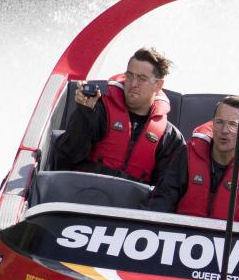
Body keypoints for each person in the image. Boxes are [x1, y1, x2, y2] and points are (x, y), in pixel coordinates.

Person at [50, 47, 185, 186]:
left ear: (158, 84)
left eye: (142, 79)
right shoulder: (98, 111)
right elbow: (68, 156)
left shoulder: (170, 138)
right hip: (86, 197)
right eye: (130, 76)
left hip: (133, 206)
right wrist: (84, 113)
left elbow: (166, 191)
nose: (133, 84)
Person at [148, 95, 239, 226]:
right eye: (219, 122)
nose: (224, 130)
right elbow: (160, 205)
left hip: (229, 246)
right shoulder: (185, 158)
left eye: (232, 125)